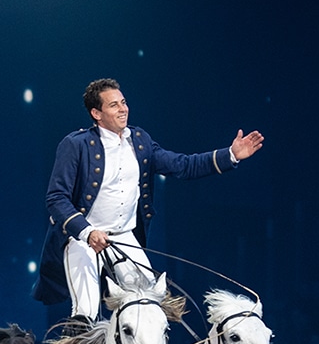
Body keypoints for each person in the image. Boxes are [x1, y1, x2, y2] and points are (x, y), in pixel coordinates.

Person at [31, 77, 264, 322]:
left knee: (150, 303)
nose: (123, 109)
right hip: (83, 239)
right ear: (96, 113)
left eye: (123, 102)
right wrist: (87, 232)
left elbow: (182, 166)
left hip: (122, 237)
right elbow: (57, 198)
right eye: (114, 105)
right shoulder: (76, 145)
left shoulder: (140, 142)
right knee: (85, 312)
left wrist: (230, 155)